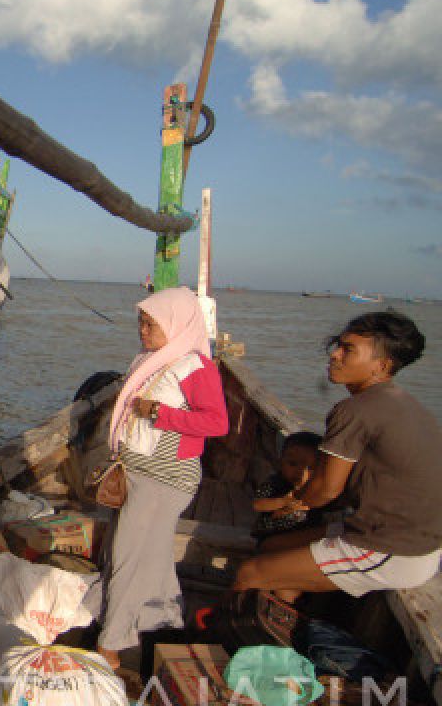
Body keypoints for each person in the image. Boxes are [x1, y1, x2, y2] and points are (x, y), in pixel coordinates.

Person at [234, 311, 442, 604]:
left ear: (381, 366)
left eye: (348, 350)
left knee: (250, 572)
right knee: (272, 547)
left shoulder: (355, 410)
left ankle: (222, 638)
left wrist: (290, 503)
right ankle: (280, 626)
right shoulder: (406, 403)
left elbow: (325, 491)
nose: (335, 355)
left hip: (391, 546)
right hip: (412, 539)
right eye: (338, 345)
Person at [96, 286, 228, 669]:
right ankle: (164, 620)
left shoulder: (196, 367)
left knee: (128, 557)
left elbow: (217, 422)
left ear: (177, 323)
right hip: (135, 469)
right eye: (140, 321)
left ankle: (111, 645)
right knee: (134, 555)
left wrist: (159, 411)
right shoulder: (149, 359)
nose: (143, 329)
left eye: (152, 323)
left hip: (165, 478)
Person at [250, 431, 327, 541]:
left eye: (310, 468)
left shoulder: (317, 488)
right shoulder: (276, 482)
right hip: (271, 534)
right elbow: (257, 505)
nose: (300, 472)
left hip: (302, 536)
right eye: (292, 464)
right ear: (280, 461)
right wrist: (283, 501)